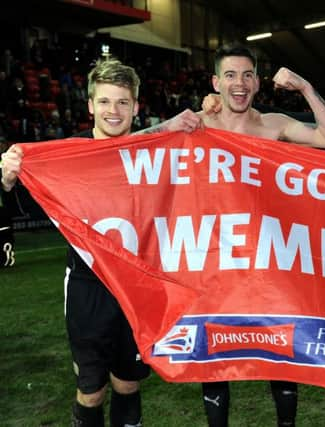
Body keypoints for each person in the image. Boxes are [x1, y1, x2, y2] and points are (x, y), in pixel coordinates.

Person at [1, 58, 203, 426]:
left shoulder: (153, 152)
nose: (114, 111)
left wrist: (173, 125)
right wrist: (8, 179)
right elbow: (21, 194)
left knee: (127, 385)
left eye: (123, 102)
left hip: (139, 287)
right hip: (87, 288)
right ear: (91, 105)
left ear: (136, 107)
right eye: (106, 102)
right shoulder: (67, 155)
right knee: (91, 390)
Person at [199, 43, 325, 427]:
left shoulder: (274, 125)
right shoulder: (197, 124)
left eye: (247, 75)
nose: (239, 83)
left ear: (257, 82)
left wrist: (306, 88)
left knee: (279, 353)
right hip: (214, 259)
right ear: (216, 82)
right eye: (229, 75)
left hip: (269, 259)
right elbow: (137, 146)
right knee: (214, 356)